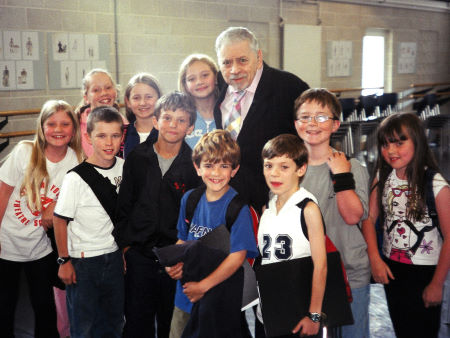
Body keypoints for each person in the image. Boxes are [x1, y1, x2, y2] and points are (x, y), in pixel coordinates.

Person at [115, 91, 202, 338]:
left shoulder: (195, 165)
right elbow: (124, 206)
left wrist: (187, 258)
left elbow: (196, 219)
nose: (173, 125)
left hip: (175, 261)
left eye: (181, 120)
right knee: (136, 324)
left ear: (190, 127)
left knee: (171, 326)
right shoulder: (137, 158)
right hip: (139, 257)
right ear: (155, 121)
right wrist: (125, 248)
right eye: (167, 117)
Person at [361, 112, 449, 338]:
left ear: (417, 141)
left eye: (400, 143)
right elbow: (369, 219)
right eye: (385, 144)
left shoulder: (435, 183)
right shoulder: (382, 176)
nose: (391, 151)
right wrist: (375, 259)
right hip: (393, 269)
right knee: (402, 328)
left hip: (426, 273)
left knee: (423, 331)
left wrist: (437, 284)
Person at [0, 100, 82, 338]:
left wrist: (55, 205)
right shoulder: (25, 151)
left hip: (41, 247)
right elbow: (3, 192)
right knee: (5, 306)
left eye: (65, 124)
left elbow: (79, 199)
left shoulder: (76, 159)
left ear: (74, 129)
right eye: (52, 124)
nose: (58, 129)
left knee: (44, 307)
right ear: (42, 127)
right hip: (8, 243)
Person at [166, 129, 258, 337]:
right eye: (208, 165)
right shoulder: (189, 200)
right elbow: (183, 239)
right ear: (197, 167)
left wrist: (203, 286)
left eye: (224, 166)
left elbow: (237, 257)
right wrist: (174, 263)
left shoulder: (237, 208)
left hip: (218, 300)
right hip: (186, 297)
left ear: (234, 170)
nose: (215, 173)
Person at [294, 88, 371, 337]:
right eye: (305, 117)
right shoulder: (289, 171)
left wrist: (341, 175)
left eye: (321, 117)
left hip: (349, 273)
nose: (312, 123)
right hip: (307, 277)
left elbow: (352, 216)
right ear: (296, 123)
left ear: (335, 123)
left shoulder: (352, 166)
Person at [214, 26, 309, 212]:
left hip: (274, 201)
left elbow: (310, 142)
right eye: (226, 63)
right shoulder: (218, 85)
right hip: (231, 200)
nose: (234, 70)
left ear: (258, 58)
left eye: (242, 60)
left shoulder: (290, 88)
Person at [53, 106, 125, 338]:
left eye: (115, 135)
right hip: (83, 262)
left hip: (113, 257)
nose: (109, 142)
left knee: (114, 321)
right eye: (101, 135)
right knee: (84, 325)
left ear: (122, 137)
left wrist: (123, 251)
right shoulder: (75, 178)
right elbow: (59, 220)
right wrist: (64, 260)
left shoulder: (125, 167)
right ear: (88, 137)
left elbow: (124, 216)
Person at [257, 134, 327, 338]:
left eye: (284, 167)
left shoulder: (308, 208)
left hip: (298, 313)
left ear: (301, 169)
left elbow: (320, 266)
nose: (274, 174)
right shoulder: (268, 210)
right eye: (268, 166)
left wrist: (314, 315)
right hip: (268, 311)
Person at [75, 68, 122, 157]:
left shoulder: (124, 123)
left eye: (108, 88)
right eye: (96, 90)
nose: (104, 93)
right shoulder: (76, 125)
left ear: (115, 92)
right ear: (86, 98)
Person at [178, 54, 218, 149]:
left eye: (205, 75)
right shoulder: (180, 117)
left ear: (216, 77)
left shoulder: (229, 112)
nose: (199, 82)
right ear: (185, 84)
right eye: (192, 79)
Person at [123, 72, 162, 158]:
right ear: (128, 101)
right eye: (136, 98)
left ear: (159, 98)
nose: (143, 103)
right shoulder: (122, 135)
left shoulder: (168, 132)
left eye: (149, 97)